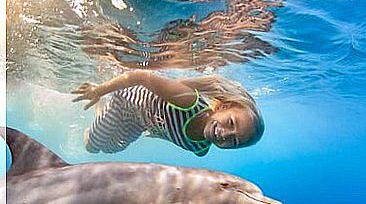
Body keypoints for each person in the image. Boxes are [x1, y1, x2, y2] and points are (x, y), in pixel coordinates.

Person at [72, 71, 264, 156]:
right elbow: (140, 76)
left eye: (234, 141)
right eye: (230, 123)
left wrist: (157, 132)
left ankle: (101, 110)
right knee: (93, 145)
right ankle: (102, 104)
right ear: (223, 107)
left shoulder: (199, 148)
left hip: (140, 123)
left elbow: (173, 135)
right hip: (125, 101)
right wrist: (100, 90)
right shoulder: (188, 102)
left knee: (112, 148)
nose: (225, 134)